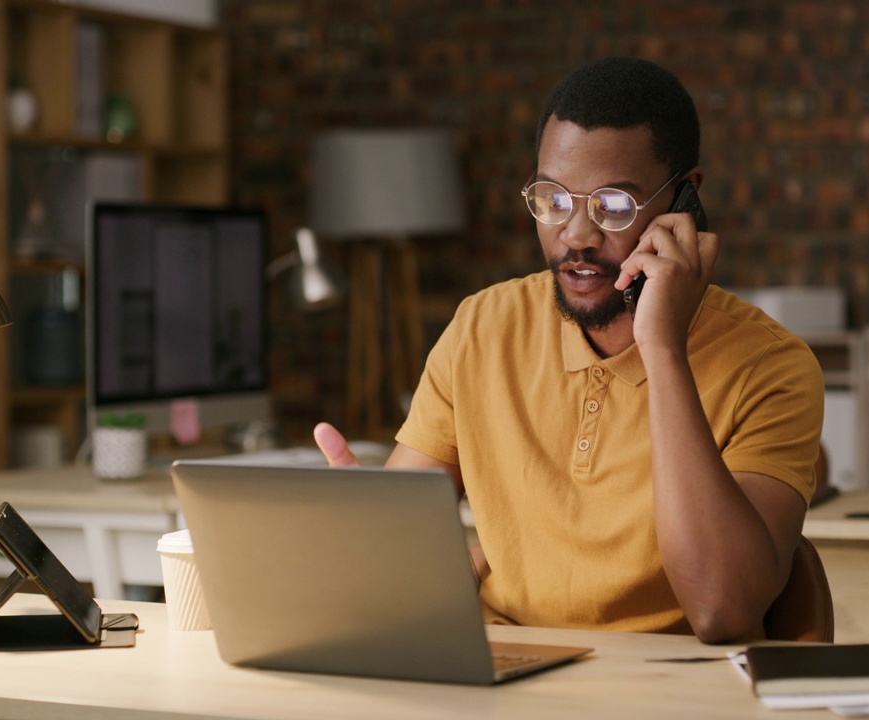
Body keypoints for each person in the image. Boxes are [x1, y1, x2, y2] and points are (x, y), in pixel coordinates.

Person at [314, 56, 823, 644]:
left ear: (685, 201)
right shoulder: (483, 327)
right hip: (499, 675)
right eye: (553, 200)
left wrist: (662, 349)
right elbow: (396, 552)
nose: (576, 236)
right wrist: (363, 531)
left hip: (668, 690)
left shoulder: (772, 366)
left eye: (612, 206)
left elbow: (722, 609)